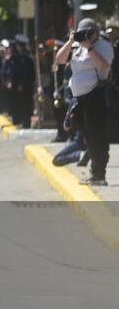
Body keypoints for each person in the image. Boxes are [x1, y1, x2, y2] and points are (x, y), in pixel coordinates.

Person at [55, 18, 110, 186]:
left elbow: (103, 66)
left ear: (94, 32)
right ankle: (94, 169)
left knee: (96, 135)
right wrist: (71, 41)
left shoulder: (102, 46)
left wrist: (89, 47)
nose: (84, 35)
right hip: (78, 97)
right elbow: (60, 59)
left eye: (87, 32)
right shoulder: (76, 46)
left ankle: (99, 173)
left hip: (94, 95)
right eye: (81, 32)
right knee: (87, 135)